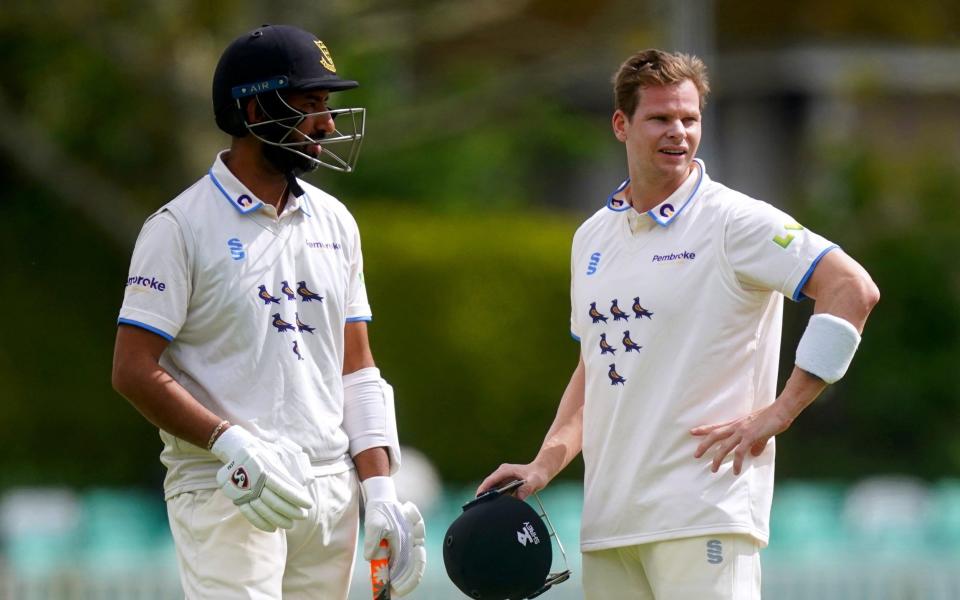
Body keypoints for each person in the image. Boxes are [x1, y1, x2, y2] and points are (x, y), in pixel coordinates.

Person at [479, 48, 879, 599]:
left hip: (704, 514)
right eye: (661, 119)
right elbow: (597, 367)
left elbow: (852, 289)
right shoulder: (591, 237)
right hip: (611, 522)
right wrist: (544, 464)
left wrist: (781, 412)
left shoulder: (736, 221)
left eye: (689, 119)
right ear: (621, 125)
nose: (679, 133)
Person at [111, 24, 425, 599]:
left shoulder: (337, 223)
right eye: (310, 105)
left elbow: (357, 367)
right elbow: (133, 368)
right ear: (254, 109)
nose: (327, 124)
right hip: (226, 486)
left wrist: (379, 490)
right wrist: (229, 443)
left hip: (330, 492)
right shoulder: (179, 228)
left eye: (327, 105)